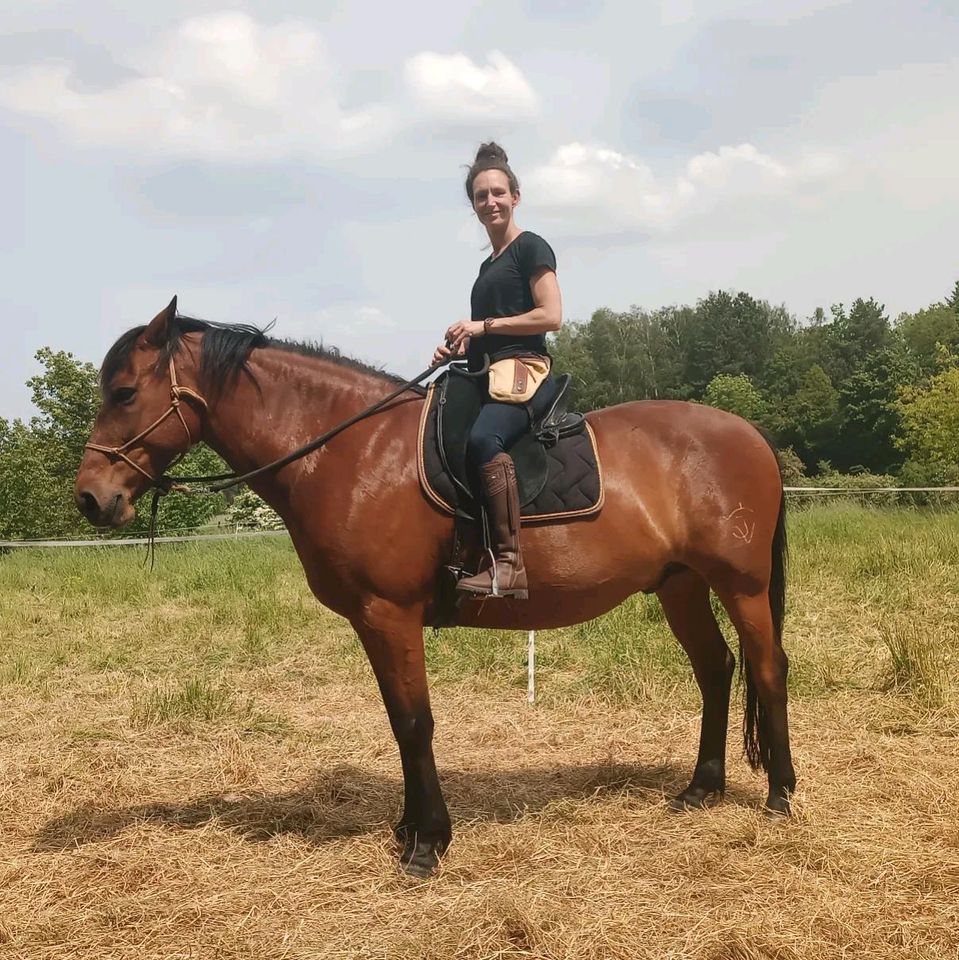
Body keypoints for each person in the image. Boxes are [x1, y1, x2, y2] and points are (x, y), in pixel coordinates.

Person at [432, 142, 563, 599]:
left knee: (485, 439)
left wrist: (482, 324)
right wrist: (460, 346)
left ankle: (509, 564)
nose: (490, 201)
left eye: (498, 193)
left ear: (516, 197)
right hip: (489, 372)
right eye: (481, 195)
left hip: (527, 371)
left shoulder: (531, 247)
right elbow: (491, 333)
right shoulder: (486, 266)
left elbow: (551, 315)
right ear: (473, 205)